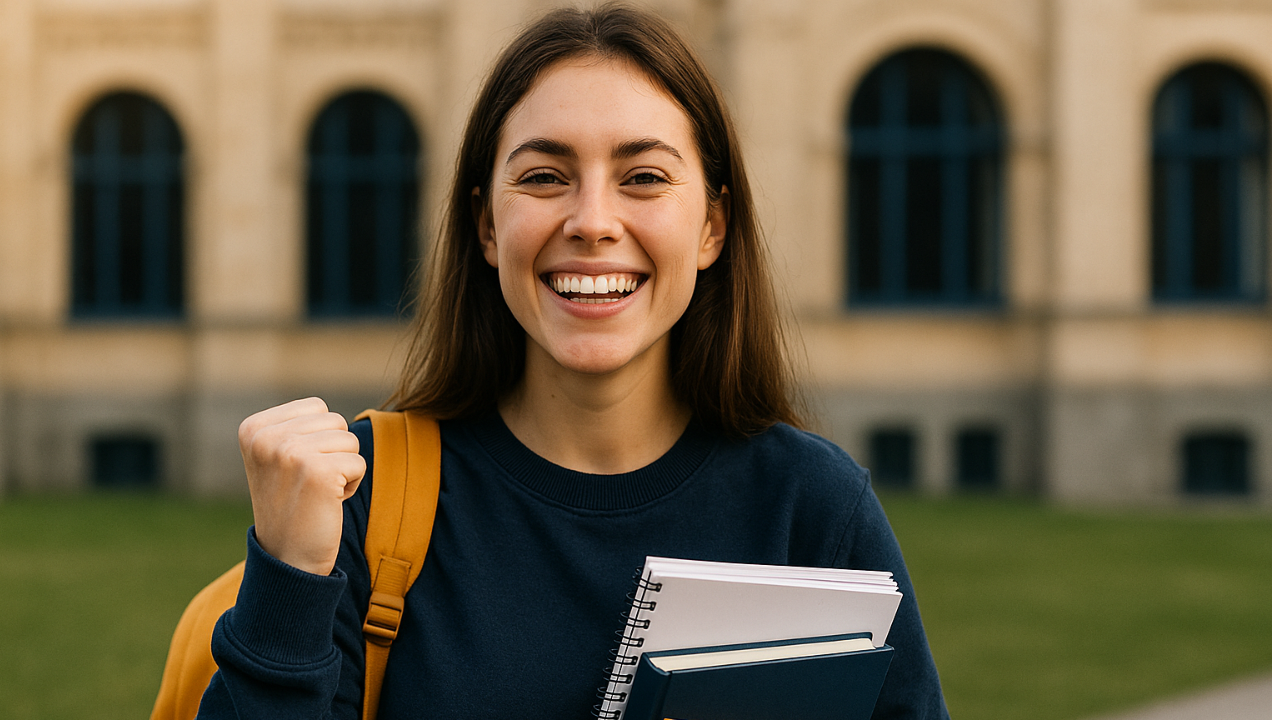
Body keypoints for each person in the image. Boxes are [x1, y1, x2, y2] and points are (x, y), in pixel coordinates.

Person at [198, 4, 949, 719]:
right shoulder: (361, 495)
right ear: (488, 227)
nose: (592, 221)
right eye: (544, 177)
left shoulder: (811, 508)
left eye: (644, 177)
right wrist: (289, 578)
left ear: (713, 228)